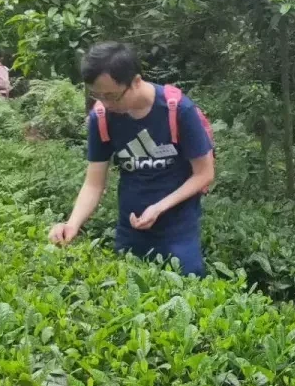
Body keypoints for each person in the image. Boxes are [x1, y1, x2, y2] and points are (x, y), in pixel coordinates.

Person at [48, 42, 215, 277]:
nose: (106, 103)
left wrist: (158, 208)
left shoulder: (178, 110)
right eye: (98, 95)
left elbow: (204, 173)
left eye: (112, 96)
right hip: (130, 230)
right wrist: (72, 224)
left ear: (136, 81)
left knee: (188, 287)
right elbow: (94, 183)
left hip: (179, 230)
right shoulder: (102, 117)